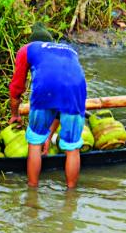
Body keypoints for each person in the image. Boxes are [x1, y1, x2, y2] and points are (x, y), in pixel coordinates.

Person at [8, 23, 88, 189]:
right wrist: (49, 135)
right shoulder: (69, 50)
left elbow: (16, 87)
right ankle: (71, 197)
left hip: (45, 90)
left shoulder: (27, 49)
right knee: (72, 147)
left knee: (34, 142)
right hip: (76, 91)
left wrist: (15, 114)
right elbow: (61, 102)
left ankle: (32, 192)